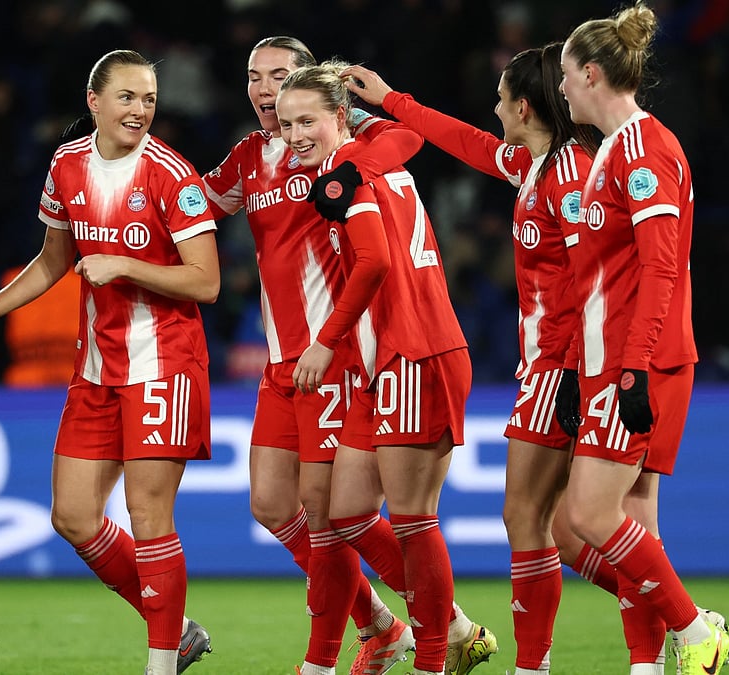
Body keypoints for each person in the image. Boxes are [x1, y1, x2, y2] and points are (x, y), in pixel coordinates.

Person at [201, 37, 494, 675]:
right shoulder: (252, 157)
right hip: (285, 359)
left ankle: (332, 657)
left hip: (340, 357)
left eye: (280, 80)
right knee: (275, 507)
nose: (266, 93)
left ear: (324, 103)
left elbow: (404, 143)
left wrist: (356, 150)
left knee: (335, 511)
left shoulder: (347, 157)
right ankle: (397, 625)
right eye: (254, 78)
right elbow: (194, 205)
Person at [0, 49, 218, 675]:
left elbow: (206, 282)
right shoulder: (66, 167)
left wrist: (123, 264)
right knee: (72, 517)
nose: (141, 109)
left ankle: (159, 662)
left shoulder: (171, 175)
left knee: (149, 517)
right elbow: (52, 260)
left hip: (165, 366)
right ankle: (176, 631)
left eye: (149, 98)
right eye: (127, 96)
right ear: (94, 102)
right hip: (97, 368)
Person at [341, 43, 601, 674]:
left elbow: (589, 279)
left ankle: (671, 620)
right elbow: (464, 142)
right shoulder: (536, 163)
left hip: (563, 365)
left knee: (542, 519)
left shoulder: (569, 180)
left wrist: (570, 367)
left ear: (525, 106)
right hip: (551, 362)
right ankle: (555, 656)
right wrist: (391, 99)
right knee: (554, 525)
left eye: (501, 98)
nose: (493, 109)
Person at [277, 60, 484, 675]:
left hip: (416, 350)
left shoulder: (351, 177)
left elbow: (372, 263)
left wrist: (324, 341)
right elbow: (406, 137)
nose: (294, 136)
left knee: (413, 518)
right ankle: (450, 630)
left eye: (306, 121)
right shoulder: (371, 159)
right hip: (383, 361)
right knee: (348, 511)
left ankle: (435, 658)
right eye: (287, 125)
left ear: (340, 117)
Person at [557, 3, 729, 673]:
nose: (564, 87)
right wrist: (581, 366)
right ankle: (646, 663)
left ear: (594, 73)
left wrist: (632, 369)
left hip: (644, 360)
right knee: (636, 519)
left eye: (570, 75)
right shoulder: (610, 153)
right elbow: (602, 278)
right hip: (611, 361)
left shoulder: (644, 151)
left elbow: (664, 268)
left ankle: (694, 628)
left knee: (588, 515)